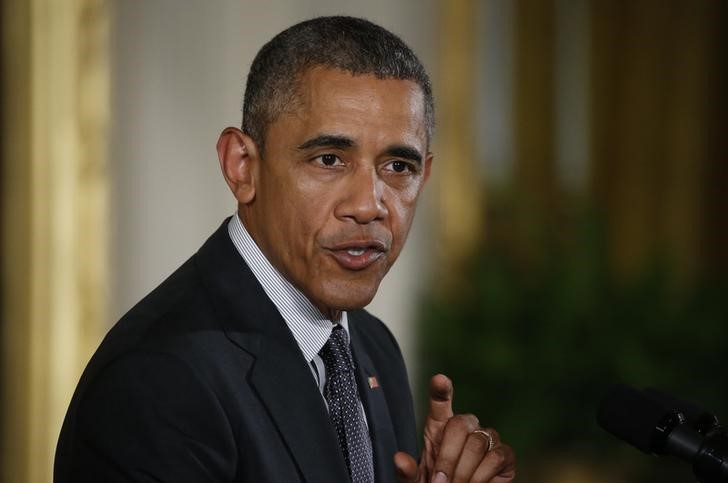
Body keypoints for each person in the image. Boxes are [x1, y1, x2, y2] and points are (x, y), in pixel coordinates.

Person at [55, 16, 516, 483]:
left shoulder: (374, 347)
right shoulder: (159, 379)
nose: (369, 205)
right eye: (329, 159)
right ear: (242, 167)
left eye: (398, 166)